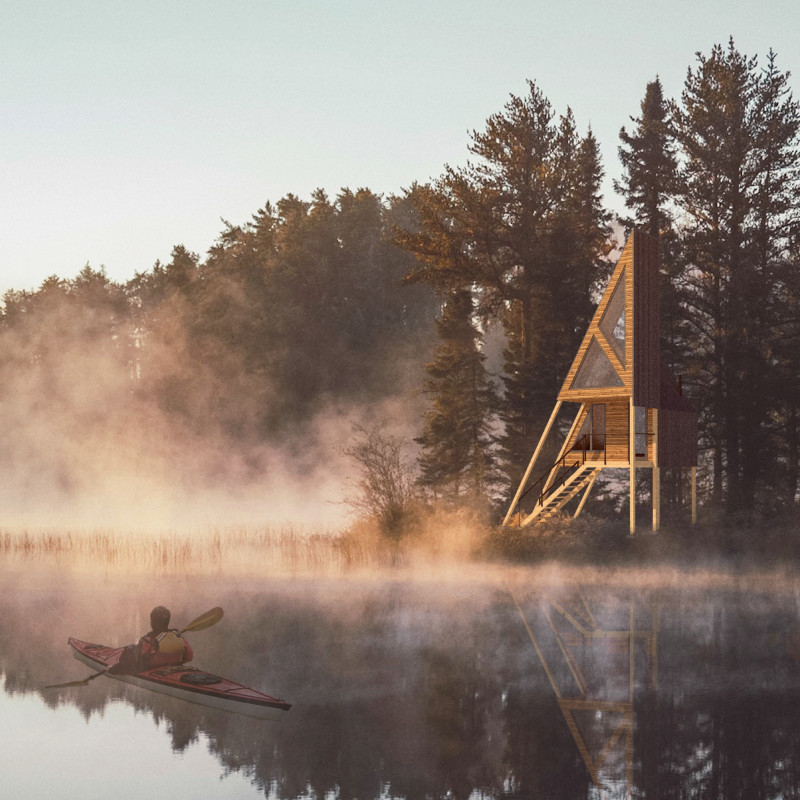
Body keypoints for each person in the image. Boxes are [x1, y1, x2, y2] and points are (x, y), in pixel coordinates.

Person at [111, 606, 193, 675]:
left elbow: (136, 663)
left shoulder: (149, 641)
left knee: (127, 654)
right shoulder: (179, 636)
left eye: (151, 621)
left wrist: (115, 669)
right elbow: (189, 657)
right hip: (175, 669)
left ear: (154, 623)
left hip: (153, 669)